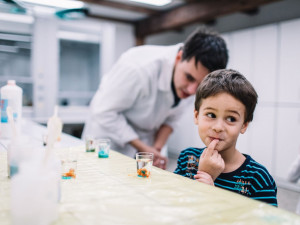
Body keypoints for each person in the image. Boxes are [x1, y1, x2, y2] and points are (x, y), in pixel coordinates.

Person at [82, 27, 228, 169]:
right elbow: (104, 111)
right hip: (107, 140)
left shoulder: (193, 82)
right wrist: (143, 148)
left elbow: (171, 120)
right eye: (188, 77)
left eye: (199, 84)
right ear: (179, 57)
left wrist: (155, 149)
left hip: (143, 145)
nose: (191, 90)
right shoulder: (138, 68)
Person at [174, 69, 278, 206]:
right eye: (211, 115)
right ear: (196, 116)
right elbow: (174, 203)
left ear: (244, 125)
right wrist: (204, 173)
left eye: (231, 118)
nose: (218, 127)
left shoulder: (257, 178)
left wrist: (210, 191)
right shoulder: (188, 158)